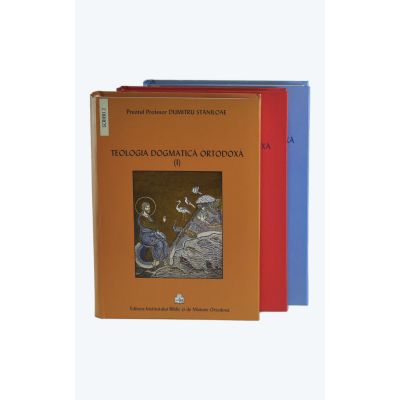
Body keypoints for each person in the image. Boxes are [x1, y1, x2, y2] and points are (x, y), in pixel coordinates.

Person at [137, 202, 169, 267]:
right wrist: (161, 223)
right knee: (159, 243)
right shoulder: (141, 218)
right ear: (143, 208)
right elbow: (152, 226)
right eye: (147, 207)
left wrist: (160, 225)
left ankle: (165, 258)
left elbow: (154, 225)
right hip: (145, 237)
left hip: (152, 235)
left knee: (164, 242)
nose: (148, 208)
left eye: (149, 207)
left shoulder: (148, 216)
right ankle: (157, 260)